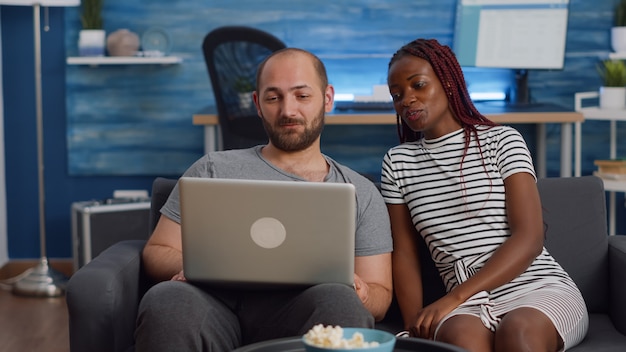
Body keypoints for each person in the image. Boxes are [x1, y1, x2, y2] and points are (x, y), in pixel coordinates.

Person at [134, 47, 393, 351]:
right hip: (213, 305)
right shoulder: (212, 168)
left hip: (305, 311)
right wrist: (197, 265)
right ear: (257, 104)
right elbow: (157, 251)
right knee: (168, 299)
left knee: (341, 301)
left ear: (327, 98)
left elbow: (380, 295)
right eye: (273, 98)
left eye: (302, 96)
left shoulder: (359, 191)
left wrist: (361, 291)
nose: (288, 111)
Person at [381, 38, 588, 352]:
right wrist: (415, 326)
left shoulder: (502, 140)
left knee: (518, 332)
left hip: (536, 287)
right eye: (397, 95)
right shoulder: (398, 163)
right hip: (465, 308)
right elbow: (405, 255)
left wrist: (453, 297)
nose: (407, 100)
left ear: (448, 82)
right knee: (463, 340)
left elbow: (529, 238)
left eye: (418, 85)